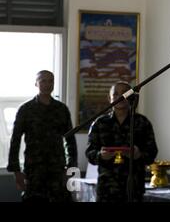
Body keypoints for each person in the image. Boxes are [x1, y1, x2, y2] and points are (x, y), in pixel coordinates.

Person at [7, 70, 77, 202]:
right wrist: (16, 171)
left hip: (57, 169)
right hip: (34, 170)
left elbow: (70, 140)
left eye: (51, 81)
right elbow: (15, 140)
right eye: (43, 81)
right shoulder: (26, 109)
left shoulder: (61, 109)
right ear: (36, 84)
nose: (47, 84)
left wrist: (71, 168)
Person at [85, 81, 158, 202]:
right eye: (116, 94)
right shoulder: (99, 123)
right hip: (107, 188)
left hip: (133, 187)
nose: (120, 97)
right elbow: (90, 153)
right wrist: (101, 156)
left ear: (131, 97)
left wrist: (139, 154)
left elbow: (152, 153)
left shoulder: (142, 122)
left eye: (124, 93)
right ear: (110, 98)